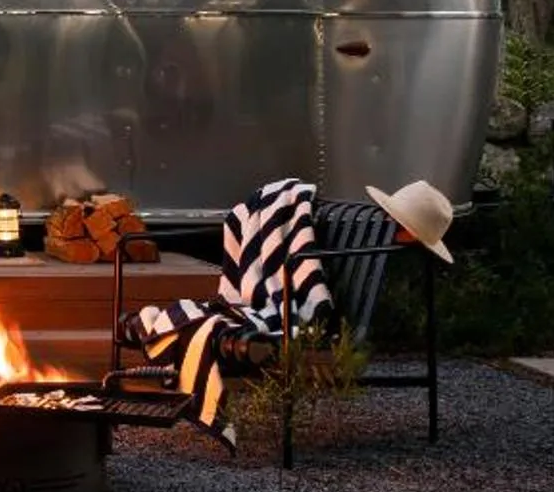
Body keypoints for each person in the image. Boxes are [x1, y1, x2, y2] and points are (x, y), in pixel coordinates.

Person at [114, 176, 455, 448]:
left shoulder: (375, 240)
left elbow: (308, 289)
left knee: (196, 325)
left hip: (305, 323)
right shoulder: (374, 237)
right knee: (197, 323)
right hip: (281, 307)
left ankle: (195, 400)